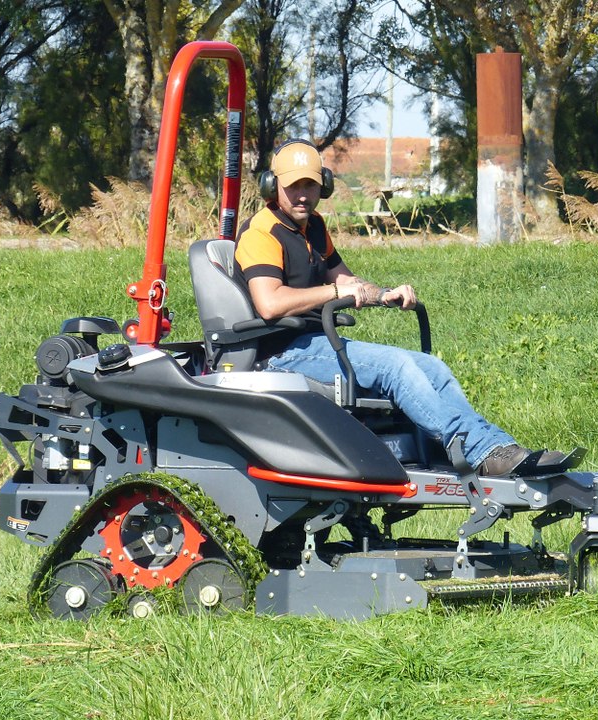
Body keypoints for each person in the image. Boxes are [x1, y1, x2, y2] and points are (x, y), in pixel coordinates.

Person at [234, 138, 563, 477]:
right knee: (396, 367)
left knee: (432, 367)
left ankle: (494, 448)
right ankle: (481, 452)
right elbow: (270, 304)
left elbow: (345, 279)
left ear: (324, 186)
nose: (302, 195)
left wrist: (383, 294)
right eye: (293, 186)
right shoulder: (261, 233)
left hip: (318, 342)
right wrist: (334, 291)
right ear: (272, 186)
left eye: (310, 186)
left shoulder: (313, 226)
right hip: (282, 352)